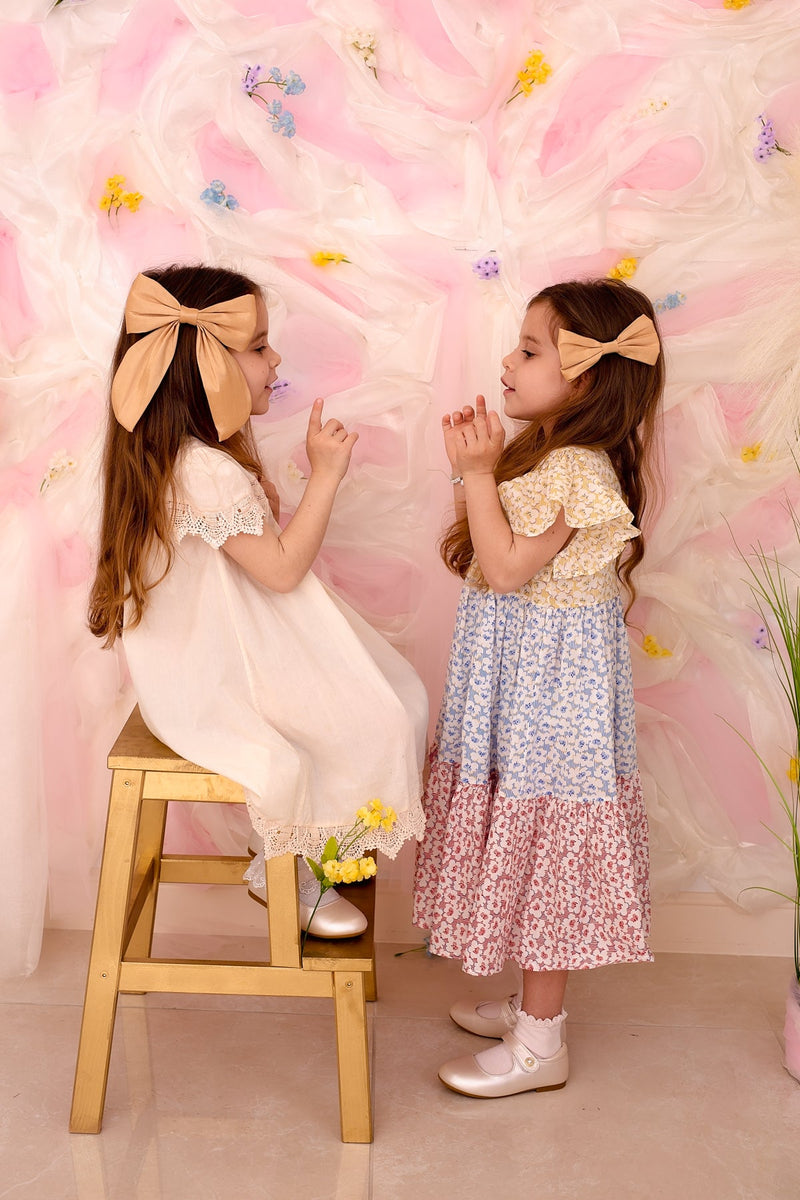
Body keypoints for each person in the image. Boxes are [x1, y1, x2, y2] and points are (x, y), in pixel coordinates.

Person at [89, 264, 427, 937]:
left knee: (387, 692)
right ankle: (294, 865)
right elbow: (280, 571)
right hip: (211, 677)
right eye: (260, 346)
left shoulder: (179, 457)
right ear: (207, 366)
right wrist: (325, 476)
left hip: (201, 657)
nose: (275, 362)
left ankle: (306, 852)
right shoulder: (204, 468)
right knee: (381, 711)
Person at [413, 277, 663, 1096]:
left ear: (584, 378)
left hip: (552, 698)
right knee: (525, 837)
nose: (506, 364)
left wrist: (476, 474)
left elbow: (507, 569)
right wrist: (476, 474)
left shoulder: (579, 469)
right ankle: (530, 1005)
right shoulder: (548, 455)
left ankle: (542, 1041)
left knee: (546, 842)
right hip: (524, 684)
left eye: (528, 351)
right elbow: (495, 554)